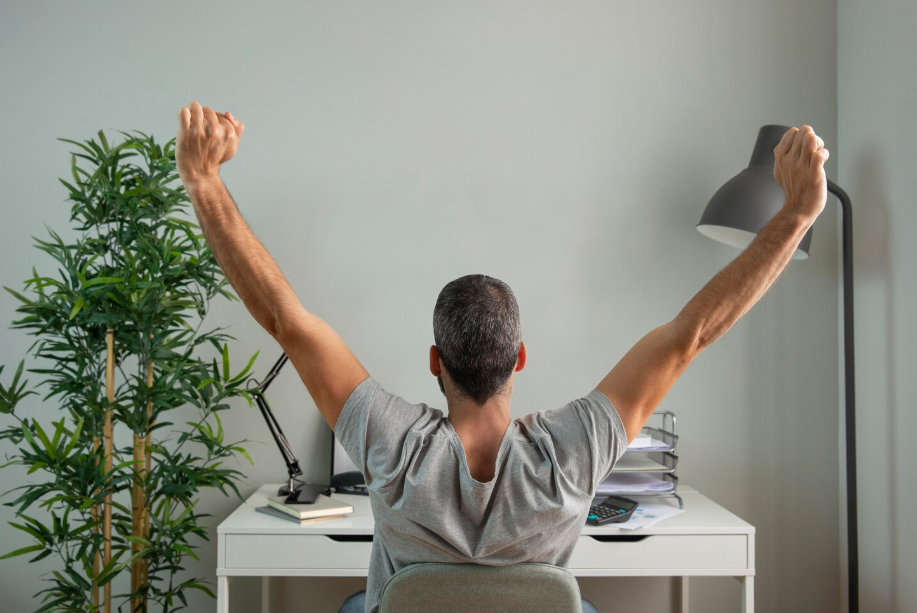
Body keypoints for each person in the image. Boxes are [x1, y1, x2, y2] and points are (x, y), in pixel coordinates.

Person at [175, 102, 828, 613]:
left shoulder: (386, 440)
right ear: (518, 358)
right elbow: (693, 332)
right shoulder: (572, 449)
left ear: (436, 360)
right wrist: (796, 211)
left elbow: (286, 320)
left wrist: (203, 180)